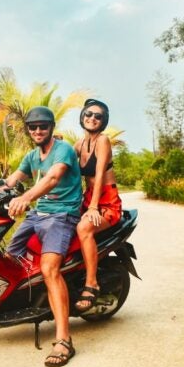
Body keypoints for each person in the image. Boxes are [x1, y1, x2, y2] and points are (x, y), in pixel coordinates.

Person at [0, 106, 82, 367]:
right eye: (32, 127)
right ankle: (25, 302)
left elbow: (53, 178)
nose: (37, 130)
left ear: (51, 127)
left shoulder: (62, 150)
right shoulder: (32, 156)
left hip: (62, 215)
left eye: (42, 126)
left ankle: (64, 339)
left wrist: (26, 197)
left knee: (49, 269)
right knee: (11, 255)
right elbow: (11, 180)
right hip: (38, 215)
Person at [73, 99, 122, 312]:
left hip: (106, 201)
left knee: (84, 228)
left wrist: (93, 207)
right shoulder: (79, 144)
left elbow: (100, 174)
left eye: (98, 116)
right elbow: (63, 163)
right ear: (82, 116)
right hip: (88, 197)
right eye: (88, 114)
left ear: (103, 121)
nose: (92, 118)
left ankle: (91, 283)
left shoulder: (103, 140)